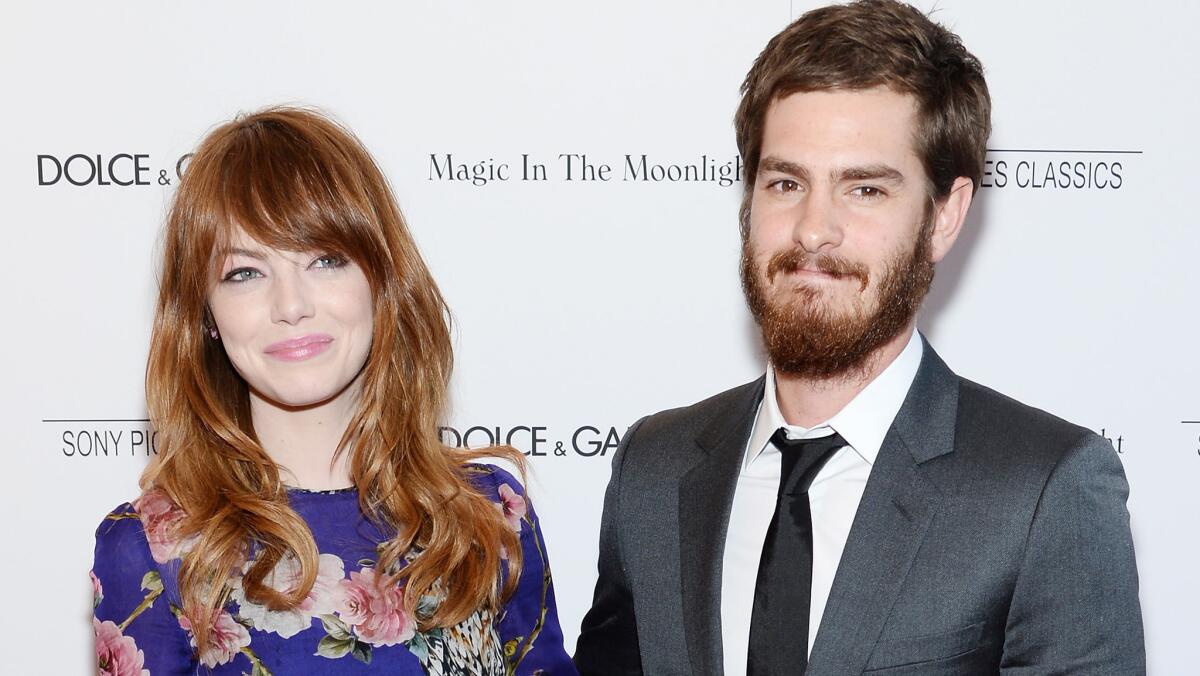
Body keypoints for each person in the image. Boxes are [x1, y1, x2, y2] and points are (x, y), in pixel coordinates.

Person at [574, 1, 1144, 674]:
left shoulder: (1045, 491)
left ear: (944, 216)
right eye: (786, 182)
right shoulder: (653, 469)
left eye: (865, 190)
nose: (814, 229)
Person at [91, 107, 575, 675]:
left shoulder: (485, 513)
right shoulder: (153, 551)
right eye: (244, 272)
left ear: (381, 284)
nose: (291, 305)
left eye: (325, 259)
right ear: (206, 316)